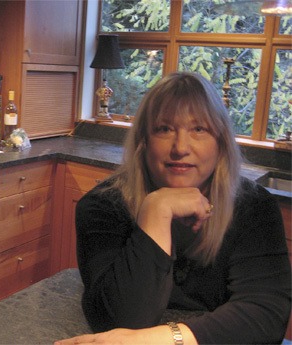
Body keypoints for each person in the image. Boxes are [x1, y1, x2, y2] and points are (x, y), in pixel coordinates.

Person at [55, 72, 291, 345]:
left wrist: (163, 339)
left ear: (221, 143)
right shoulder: (102, 206)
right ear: (144, 141)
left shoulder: (254, 208)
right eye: (164, 129)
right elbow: (118, 318)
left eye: (199, 129)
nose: (180, 148)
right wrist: (156, 210)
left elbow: (265, 317)